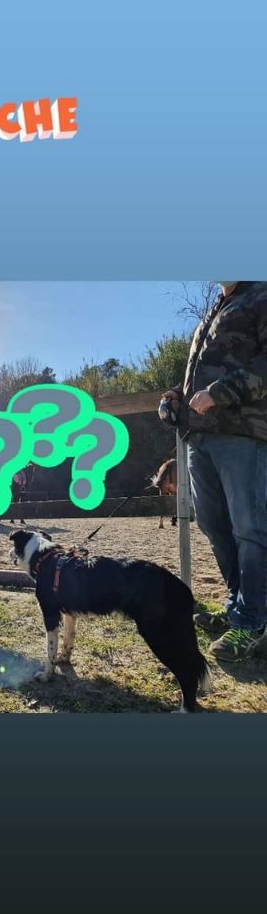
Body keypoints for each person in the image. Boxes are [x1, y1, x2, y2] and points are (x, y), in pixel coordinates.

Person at [162, 281, 267, 663]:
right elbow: (203, 372)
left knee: (250, 529)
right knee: (214, 524)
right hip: (200, 437)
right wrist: (176, 393)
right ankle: (237, 605)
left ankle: (253, 621)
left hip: (242, 434)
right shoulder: (215, 308)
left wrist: (221, 393)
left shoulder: (261, 295)